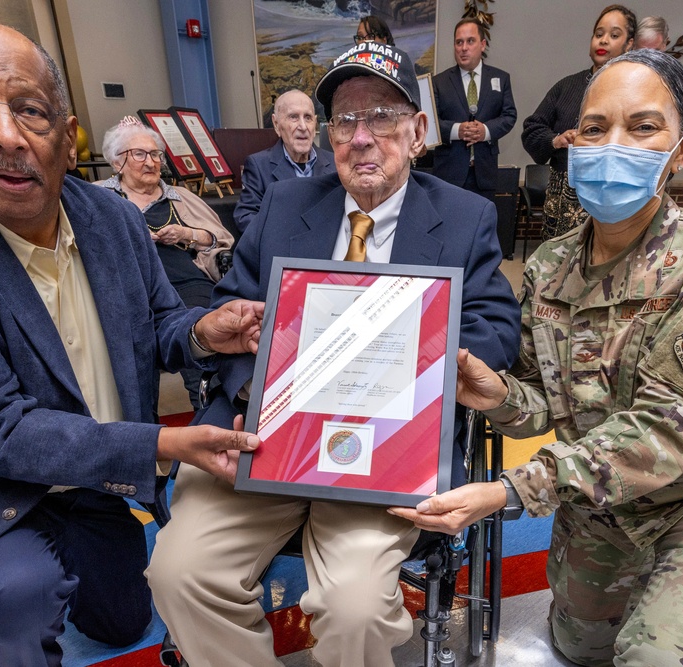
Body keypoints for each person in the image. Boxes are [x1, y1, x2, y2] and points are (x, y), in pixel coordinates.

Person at [0, 22, 264, 667]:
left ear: (66, 136)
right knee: (20, 594)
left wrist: (202, 332)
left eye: (30, 110)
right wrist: (166, 444)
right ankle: (1, 620)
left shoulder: (111, 219)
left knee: (121, 623)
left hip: (93, 477)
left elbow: (159, 324)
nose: (6, 135)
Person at [392, 48, 683, 666]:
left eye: (643, 126)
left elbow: (666, 430)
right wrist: (499, 396)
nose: (613, 144)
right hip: (605, 501)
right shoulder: (550, 265)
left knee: (660, 652)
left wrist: (511, 490)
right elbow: (541, 400)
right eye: (597, 128)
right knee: (580, 647)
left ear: (681, 150)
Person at [147, 41, 520, 667]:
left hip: (386, 447)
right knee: (180, 573)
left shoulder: (464, 217)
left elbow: (495, 327)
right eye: (345, 120)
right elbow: (235, 306)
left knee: (355, 607)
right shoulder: (288, 205)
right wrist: (251, 387)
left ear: (418, 131)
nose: (362, 137)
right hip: (267, 435)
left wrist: (410, 357)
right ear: (327, 136)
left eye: (382, 116)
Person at [97, 117, 234, 409]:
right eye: (139, 154)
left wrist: (187, 233)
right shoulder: (98, 197)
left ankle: (209, 410)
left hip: (186, 283)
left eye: (155, 154)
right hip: (125, 288)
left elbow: (220, 240)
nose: (151, 162)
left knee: (201, 330)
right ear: (116, 161)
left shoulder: (180, 197)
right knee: (131, 344)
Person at [522, 4, 636, 241]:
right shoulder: (567, 86)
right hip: (562, 202)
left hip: (616, 199)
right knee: (560, 272)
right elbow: (532, 129)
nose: (603, 41)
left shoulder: (637, 90)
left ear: (629, 45)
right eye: (598, 34)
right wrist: (556, 140)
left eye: (614, 35)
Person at [431, 17, 517, 202]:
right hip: (448, 174)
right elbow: (430, 123)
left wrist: (484, 131)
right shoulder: (438, 82)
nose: (464, 48)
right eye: (459, 42)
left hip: (484, 174)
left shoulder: (501, 78)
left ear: (482, 44)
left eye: (470, 41)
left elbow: (509, 116)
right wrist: (457, 131)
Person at [234, 89, 335, 232]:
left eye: (308, 117)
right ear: (276, 124)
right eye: (293, 117)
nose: (303, 126)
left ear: (315, 122)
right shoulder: (258, 165)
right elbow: (245, 217)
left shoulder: (336, 163)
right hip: (282, 250)